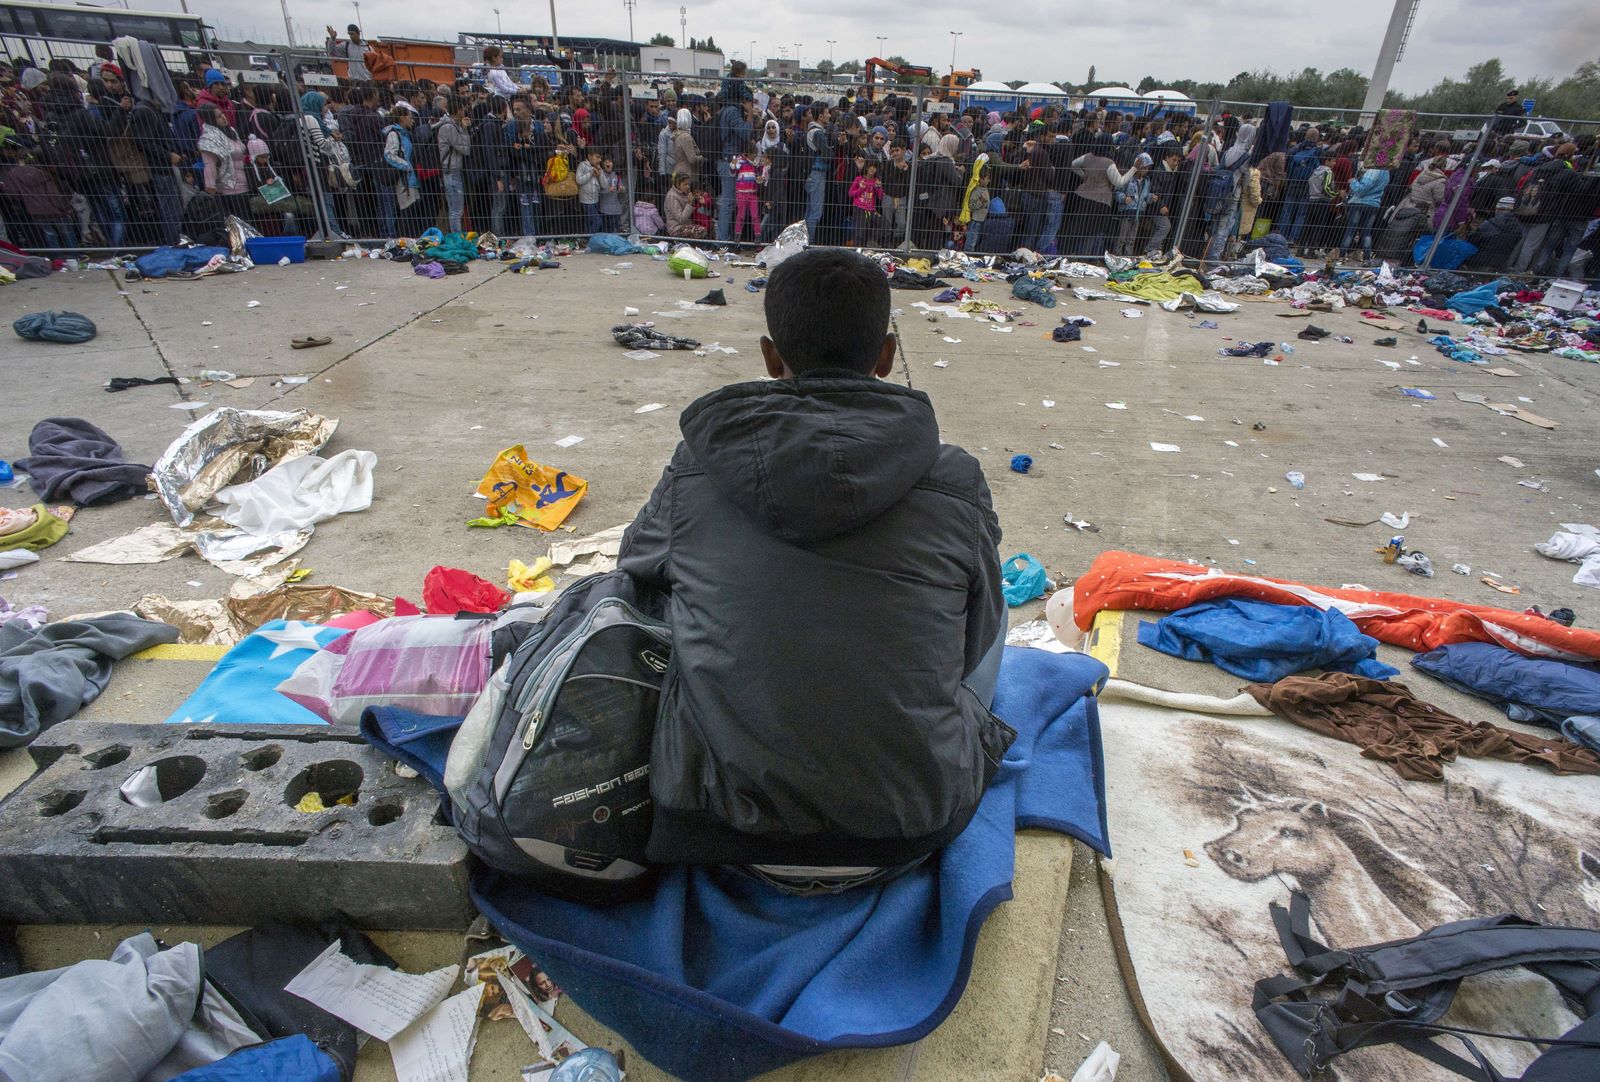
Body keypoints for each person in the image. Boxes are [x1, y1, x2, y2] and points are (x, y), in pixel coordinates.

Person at [617, 247, 1008, 892]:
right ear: (885, 356)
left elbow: (634, 582)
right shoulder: (955, 478)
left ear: (772, 358)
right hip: (911, 827)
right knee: (985, 610)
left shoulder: (697, 468)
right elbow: (973, 638)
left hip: (722, 829)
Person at [197, 102, 250, 221]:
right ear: (210, 119)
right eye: (218, 116)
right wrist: (210, 186)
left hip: (246, 183)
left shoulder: (230, 130)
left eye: (222, 114)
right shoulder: (210, 139)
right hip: (229, 188)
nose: (223, 117)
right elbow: (209, 164)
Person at [378, 105, 418, 238]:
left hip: (409, 178)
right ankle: (403, 240)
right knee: (405, 210)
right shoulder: (394, 134)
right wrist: (406, 166)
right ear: (402, 118)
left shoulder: (404, 134)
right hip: (403, 178)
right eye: (410, 117)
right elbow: (389, 154)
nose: (412, 120)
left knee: (410, 210)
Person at [434, 97, 470, 233]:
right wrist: (465, 131)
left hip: (454, 170)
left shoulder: (452, 126)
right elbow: (465, 148)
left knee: (456, 208)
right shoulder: (449, 127)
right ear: (459, 111)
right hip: (451, 171)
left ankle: (457, 235)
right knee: (456, 209)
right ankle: (456, 237)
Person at [1340, 163, 1389, 263]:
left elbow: (1361, 190)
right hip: (1374, 204)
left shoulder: (1373, 171)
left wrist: (1353, 181)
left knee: (1351, 231)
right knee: (1366, 233)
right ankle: (1367, 259)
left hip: (1360, 203)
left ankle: (1342, 257)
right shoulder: (1386, 172)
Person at [1465, 196, 1526, 272]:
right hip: (1500, 264)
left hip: (1478, 261)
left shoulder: (1489, 224)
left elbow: (1472, 241)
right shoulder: (1519, 228)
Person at [731, 141, 763, 244]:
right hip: (741, 193)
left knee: (755, 215)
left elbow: (759, 176)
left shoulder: (756, 164)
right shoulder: (740, 161)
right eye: (753, 154)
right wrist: (733, 165)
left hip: (753, 193)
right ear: (749, 153)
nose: (755, 156)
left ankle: (758, 235)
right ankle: (737, 235)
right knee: (741, 215)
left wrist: (759, 179)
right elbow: (732, 172)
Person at [848, 158, 882, 249]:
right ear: (866, 167)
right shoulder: (859, 179)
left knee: (866, 232)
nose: (872, 169)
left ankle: (863, 251)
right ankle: (856, 251)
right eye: (870, 166)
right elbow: (850, 193)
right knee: (859, 232)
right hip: (859, 208)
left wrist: (878, 187)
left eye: (874, 167)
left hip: (870, 210)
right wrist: (861, 189)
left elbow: (880, 196)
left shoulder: (876, 181)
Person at [663, 172, 703, 238]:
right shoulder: (672, 196)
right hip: (676, 228)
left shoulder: (684, 193)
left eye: (688, 184)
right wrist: (689, 203)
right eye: (685, 184)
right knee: (701, 231)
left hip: (686, 224)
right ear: (678, 185)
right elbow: (681, 218)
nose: (688, 187)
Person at [576, 146, 603, 234]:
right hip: (586, 200)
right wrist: (591, 173)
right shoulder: (582, 165)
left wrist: (601, 173)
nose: (599, 160)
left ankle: (587, 239)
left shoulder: (598, 168)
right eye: (597, 157)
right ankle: (589, 238)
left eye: (600, 157)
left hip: (595, 199)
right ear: (589, 156)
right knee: (597, 221)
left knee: (589, 222)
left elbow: (604, 185)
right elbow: (579, 180)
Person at [597, 154, 623, 233]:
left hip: (616, 210)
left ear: (613, 164)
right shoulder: (600, 175)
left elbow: (621, 187)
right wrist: (608, 190)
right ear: (603, 164)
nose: (608, 163)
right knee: (606, 231)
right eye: (606, 161)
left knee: (615, 230)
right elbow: (598, 191)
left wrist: (621, 189)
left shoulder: (616, 176)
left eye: (610, 161)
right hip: (605, 209)